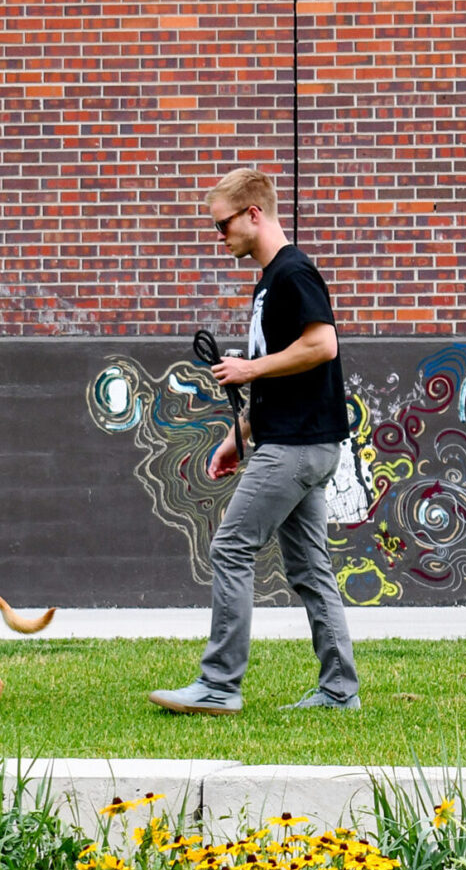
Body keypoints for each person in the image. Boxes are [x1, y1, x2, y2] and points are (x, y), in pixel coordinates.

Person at [149, 168, 361, 715]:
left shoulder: (294, 272)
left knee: (231, 547)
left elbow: (323, 345)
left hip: (295, 447)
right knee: (310, 568)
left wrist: (248, 368)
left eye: (222, 225)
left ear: (253, 214)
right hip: (296, 442)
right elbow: (279, 377)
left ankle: (219, 685)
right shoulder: (269, 282)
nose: (218, 237)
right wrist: (236, 436)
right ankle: (340, 691)